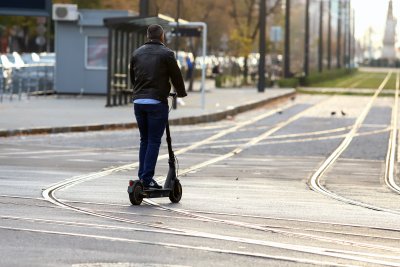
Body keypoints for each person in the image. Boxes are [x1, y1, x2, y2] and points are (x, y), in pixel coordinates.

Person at [130, 24, 187, 189]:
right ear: (162, 36)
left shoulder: (137, 53)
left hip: (139, 102)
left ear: (148, 36)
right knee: (154, 141)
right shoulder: (167, 54)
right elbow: (176, 76)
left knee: (144, 140)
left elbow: (133, 77)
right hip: (156, 102)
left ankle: (143, 177)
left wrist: (139, 92)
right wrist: (181, 93)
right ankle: (146, 179)